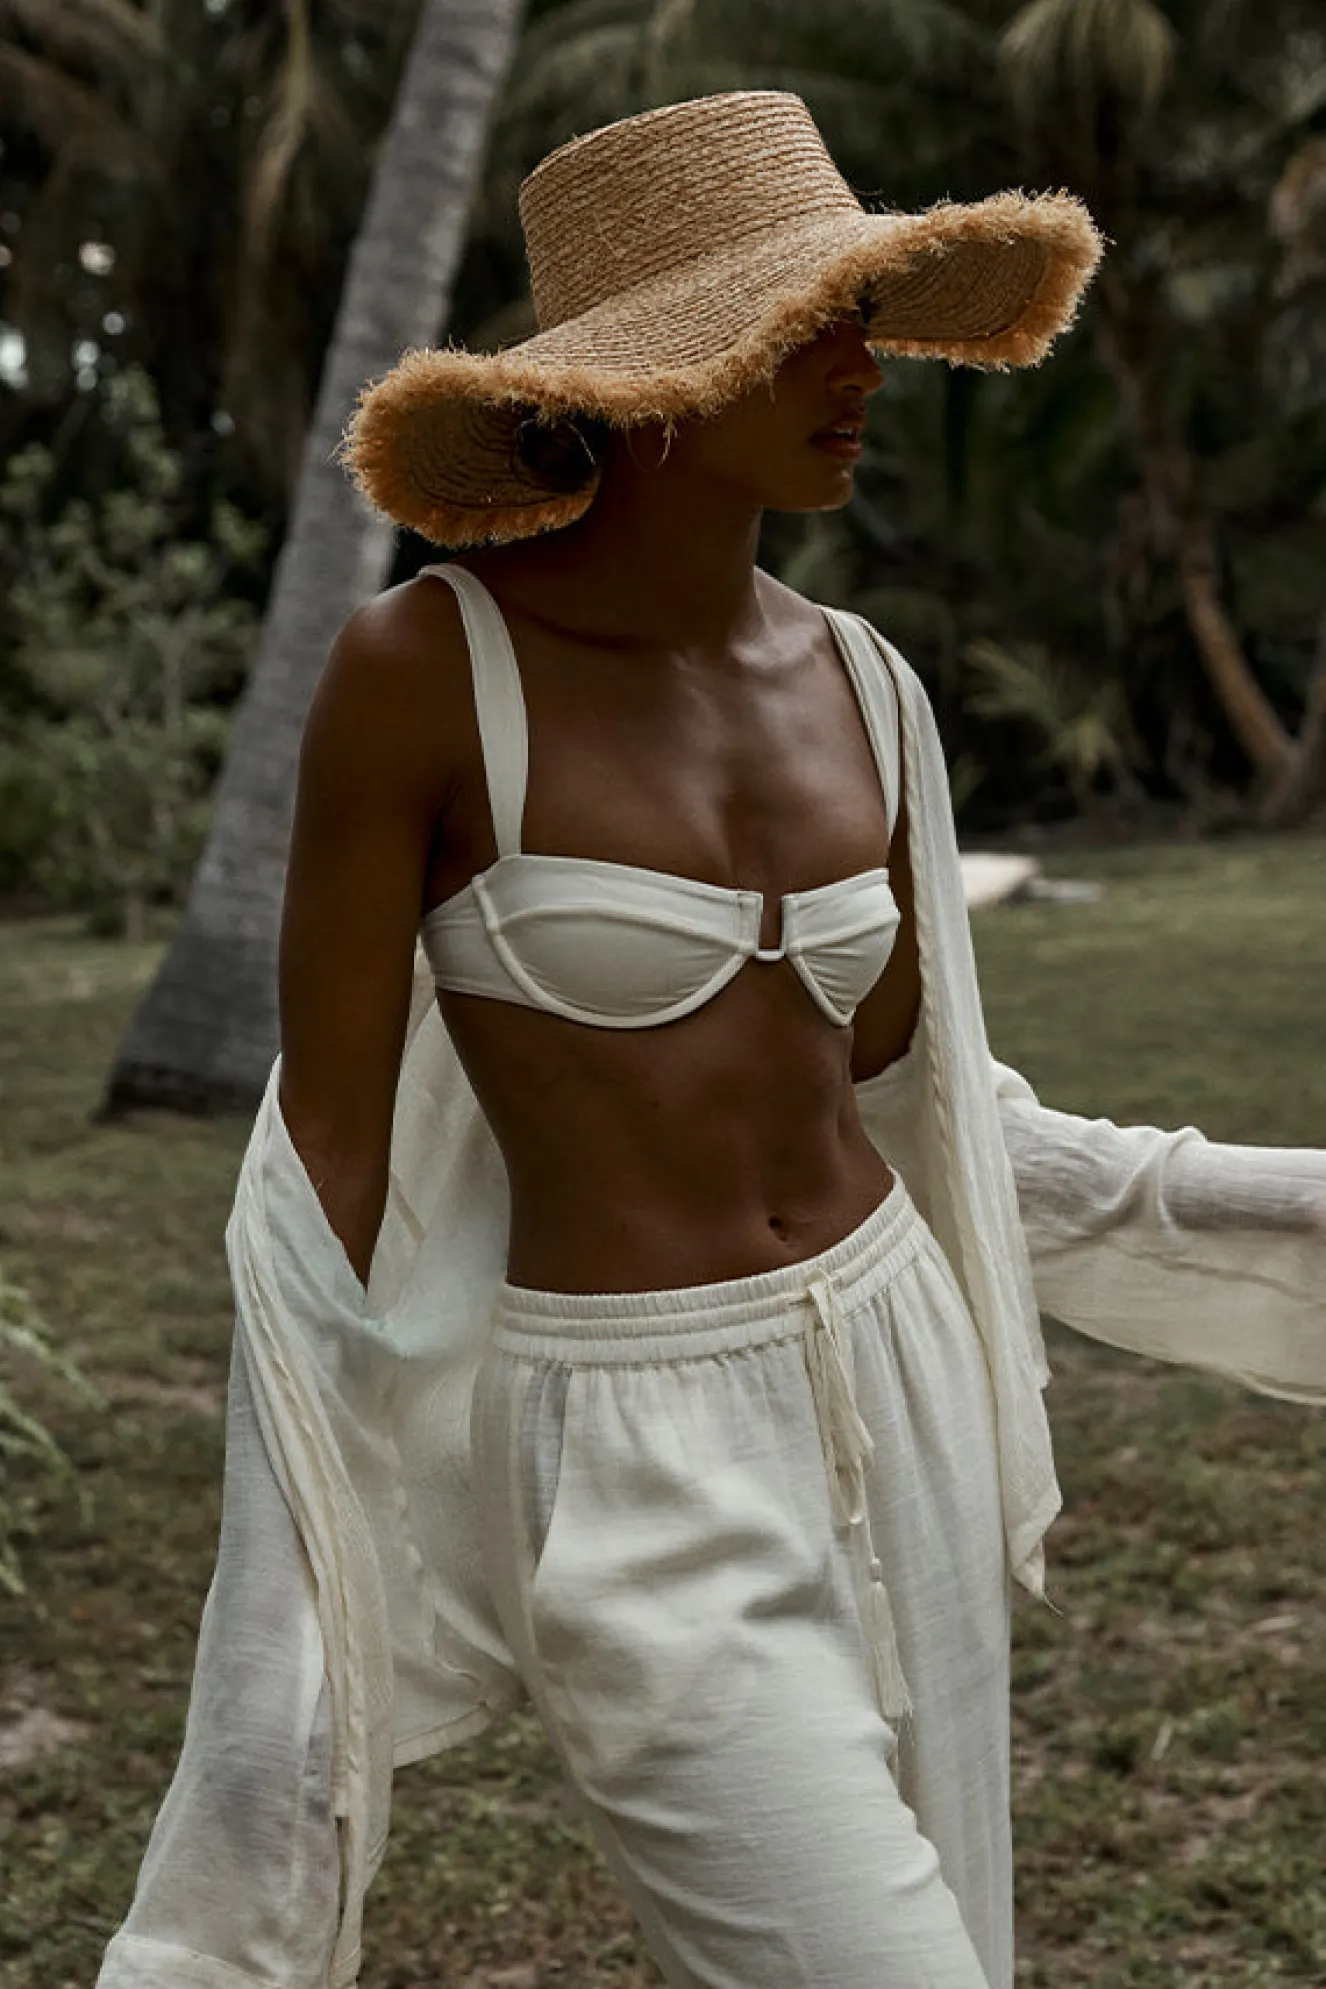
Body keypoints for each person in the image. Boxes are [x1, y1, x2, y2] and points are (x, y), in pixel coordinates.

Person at [96, 92, 1325, 1989]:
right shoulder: (426, 672)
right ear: (663, 378)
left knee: (961, 1937)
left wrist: (1274, 1197)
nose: (863, 371)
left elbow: (923, 1113)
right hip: (627, 1447)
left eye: (865, 319)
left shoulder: (865, 686)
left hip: (897, 1364)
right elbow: (326, 1167)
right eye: (813, 325)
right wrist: (284, 1611)